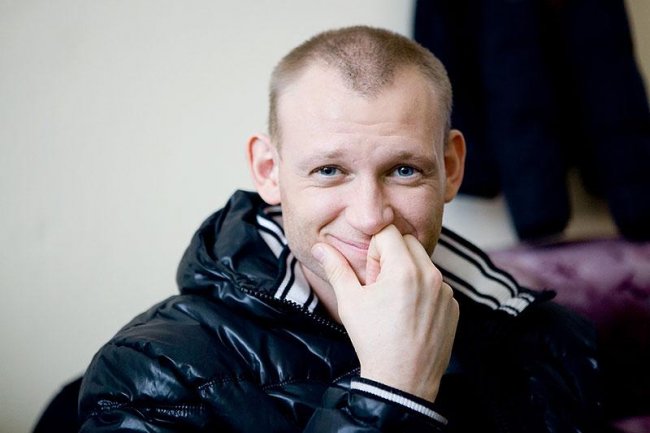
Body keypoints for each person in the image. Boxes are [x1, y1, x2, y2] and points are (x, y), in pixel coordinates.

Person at [78, 26, 601, 432]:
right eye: (329, 170)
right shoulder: (150, 376)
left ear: (451, 168)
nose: (370, 217)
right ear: (269, 170)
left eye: (404, 170)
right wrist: (392, 391)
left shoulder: (552, 339)